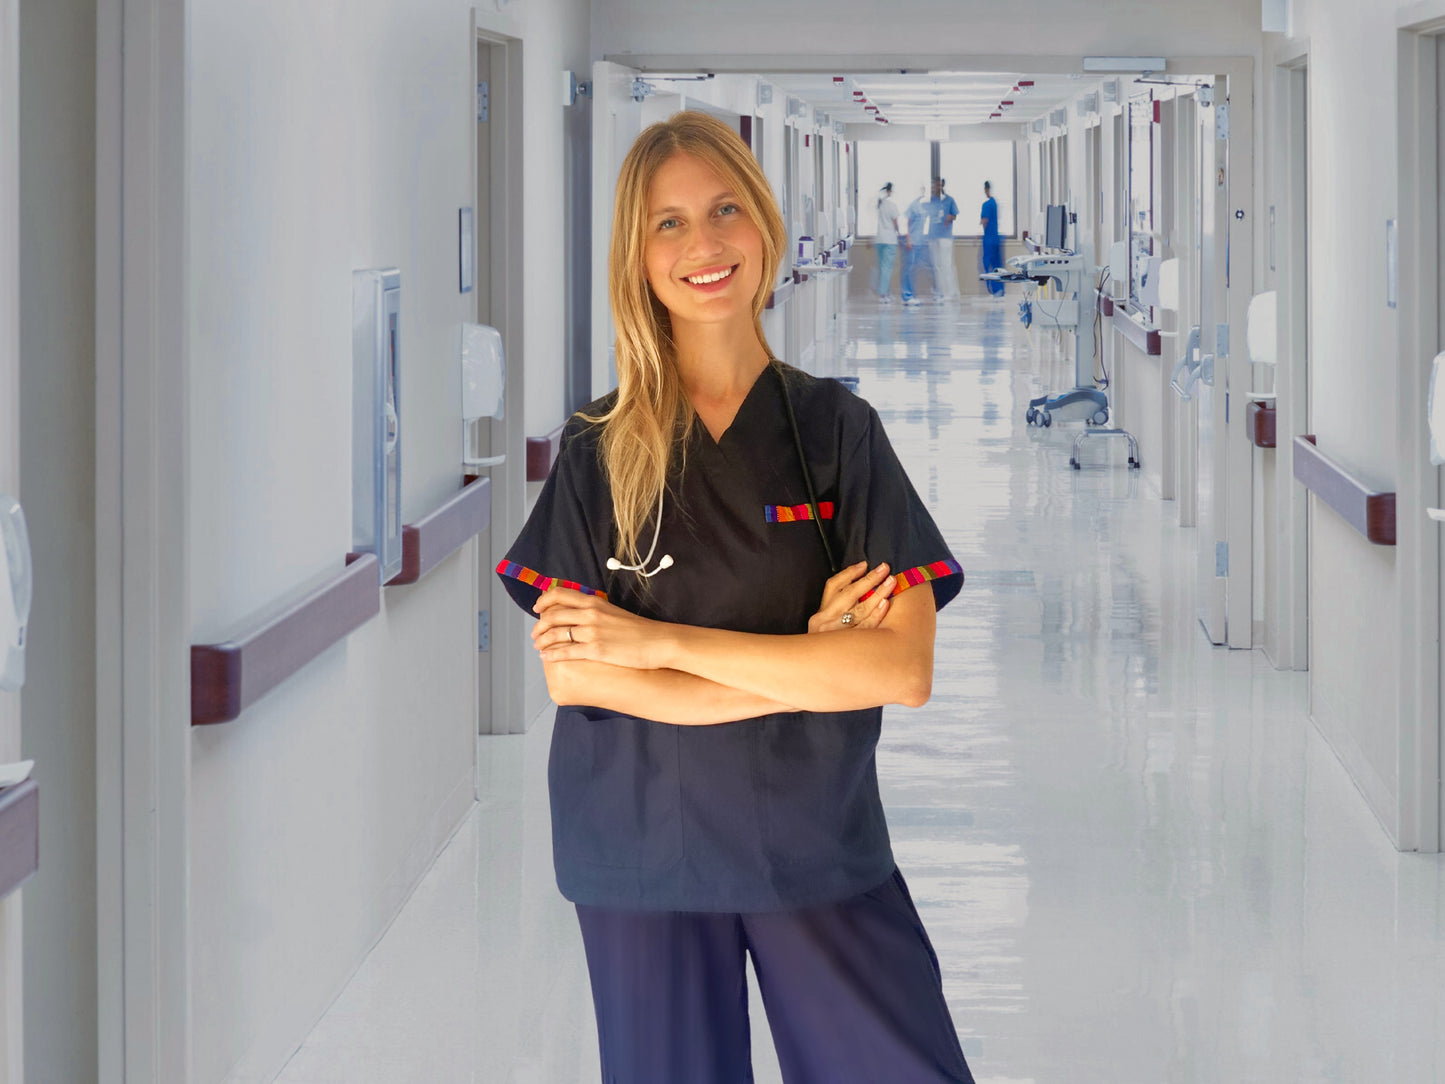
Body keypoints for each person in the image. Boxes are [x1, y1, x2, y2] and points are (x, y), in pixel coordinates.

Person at [496, 111, 973, 1084]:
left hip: (816, 845)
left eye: (722, 210)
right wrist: (811, 662)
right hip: (639, 856)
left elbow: (900, 667)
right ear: (634, 253)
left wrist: (649, 641)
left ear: (762, 222)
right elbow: (578, 677)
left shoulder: (836, 430)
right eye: (667, 223)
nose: (703, 243)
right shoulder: (596, 450)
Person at [928, 178, 961, 302]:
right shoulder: (931, 201)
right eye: (934, 185)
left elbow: (954, 215)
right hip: (933, 236)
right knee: (936, 266)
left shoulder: (949, 200)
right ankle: (940, 291)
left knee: (946, 265)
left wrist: (949, 218)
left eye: (938, 185)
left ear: (942, 186)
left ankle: (950, 292)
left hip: (945, 237)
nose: (936, 187)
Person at [901, 184, 935, 306]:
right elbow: (907, 223)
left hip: (920, 241)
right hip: (912, 242)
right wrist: (908, 239)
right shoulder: (912, 206)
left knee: (915, 269)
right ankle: (907, 296)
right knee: (908, 269)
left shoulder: (922, 206)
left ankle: (912, 295)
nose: (923, 192)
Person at [874, 182, 903, 303]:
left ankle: (886, 292)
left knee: (883, 268)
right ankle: (883, 295)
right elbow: (895, 222)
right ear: (890, 191)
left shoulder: (880, 205)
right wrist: (899, 233)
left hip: (880, 239)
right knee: (887, 268)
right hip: (890, 240)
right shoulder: (892, 205)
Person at [980, 181, 1005, 299]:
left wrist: (982, 224)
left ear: (986, 189)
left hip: (989, 239)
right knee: (997, 265)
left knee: (988, 265)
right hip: (996, 239)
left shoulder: (986, 205)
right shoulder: (994, 203)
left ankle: (995, 291)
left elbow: (985, 220)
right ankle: (1000, 290)